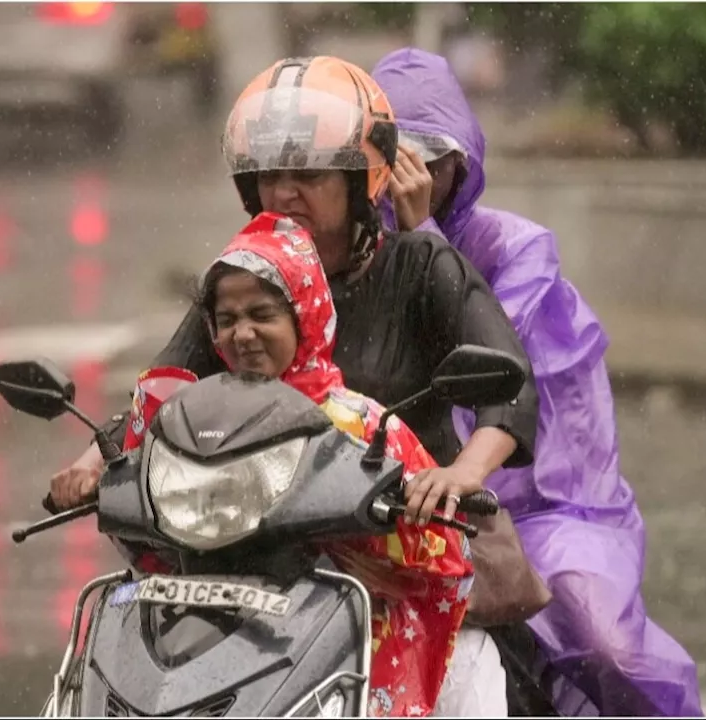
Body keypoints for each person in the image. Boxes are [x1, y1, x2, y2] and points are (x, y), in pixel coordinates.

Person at [52, 55, 538, 533]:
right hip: (256, 535)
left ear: (358, 179)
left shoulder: (423, 265)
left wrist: (462, 473)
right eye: (270, 177)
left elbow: (510, 386)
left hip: (405, 542)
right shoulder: (244, 276)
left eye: (308, 175)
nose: (284, 194)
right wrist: (92, 462)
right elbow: (165, 386)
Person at [372, 47, 703, 717]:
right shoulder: (355, 251)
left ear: (461, 162)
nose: (413, 176)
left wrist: (422, 235)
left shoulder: (513, 251)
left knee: (607, 649)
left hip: (546, 507)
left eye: (430, 158)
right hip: (409, 503)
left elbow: (493, 354)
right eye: (394, 157)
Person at [151, 210, 498, 716]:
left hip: (343, 646)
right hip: (212, 633)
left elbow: (443, 558)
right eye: (227, 320)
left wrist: (395, 534)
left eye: (261, 315)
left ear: (305, 314)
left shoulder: (362, 425)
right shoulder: (194, 419)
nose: (242, 334)